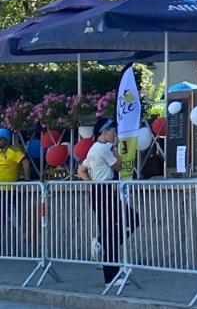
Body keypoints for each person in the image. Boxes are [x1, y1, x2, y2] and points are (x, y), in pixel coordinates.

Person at [77, 120, 123, 285]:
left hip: (101, 191)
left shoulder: (93, 149)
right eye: (113, 131)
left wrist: (91, 185)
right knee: (112, 230)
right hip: (104, 191)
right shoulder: (104, 149)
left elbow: (81, 170)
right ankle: (111, 277)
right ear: (105, 132)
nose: (115, 135)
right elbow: (119, 166)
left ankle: (101, 242)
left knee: (128, 221)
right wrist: (116, 148)